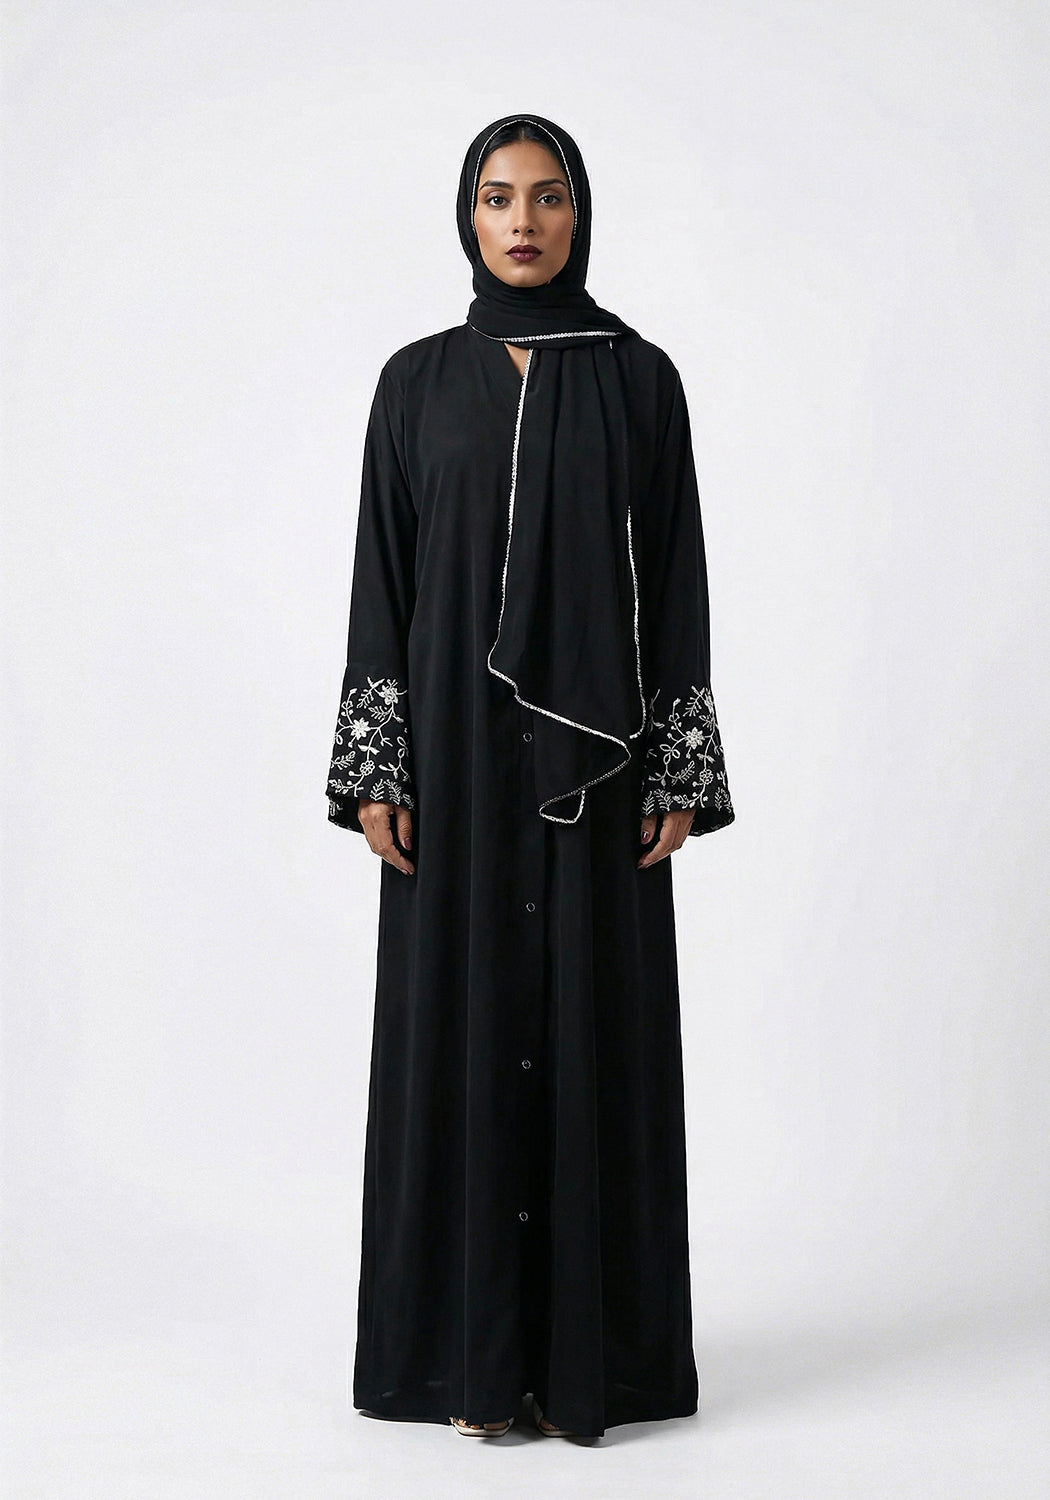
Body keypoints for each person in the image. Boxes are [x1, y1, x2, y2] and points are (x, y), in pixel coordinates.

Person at [324, 112, 735, 1441]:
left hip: (593, 769)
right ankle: (465, 1363)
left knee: (589, 1025)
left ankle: (586, 1366)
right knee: (452, 1027)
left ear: (580, 214)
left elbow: (674, 576)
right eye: (498, 197)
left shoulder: (638, 378)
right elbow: (382, 580)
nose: (522, 221)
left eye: (547, 197)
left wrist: (676, 759)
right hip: (448, 758)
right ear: (467, 214)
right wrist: (377, 760)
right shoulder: (415, 383)